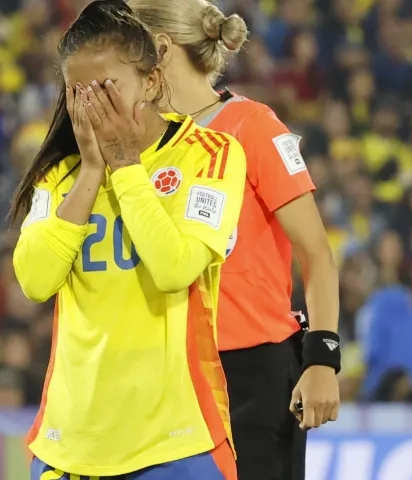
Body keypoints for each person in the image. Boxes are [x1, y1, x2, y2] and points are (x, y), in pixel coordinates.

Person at [8, 1, 246, 479]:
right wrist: (93, 171)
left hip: (176, 443)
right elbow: (34, 281)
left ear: (153, 82)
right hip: (69, 446)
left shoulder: (211, 156)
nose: (93, 105)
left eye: (107, 88)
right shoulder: (60, 176)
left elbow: (175, 268)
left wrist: (125, 166)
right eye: (80, 92)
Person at [129, 1, 341, 479]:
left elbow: (316, 253)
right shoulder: (137, 143)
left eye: (128, 50)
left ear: (160, 49)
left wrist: (322, 358)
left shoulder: (253, 126)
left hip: (251, 374)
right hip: (165, 373)